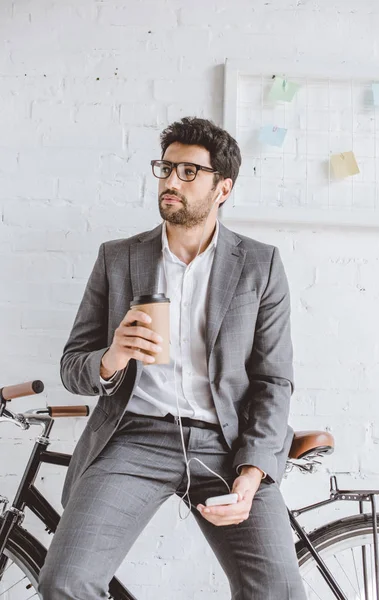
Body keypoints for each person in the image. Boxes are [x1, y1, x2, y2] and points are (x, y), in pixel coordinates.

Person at [38, 117, 306, 599]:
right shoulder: (118, 258)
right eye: (165, 168)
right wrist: (112, 356)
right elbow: (72, 365)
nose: (170, 181)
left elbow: (273, 380)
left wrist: (251, 475)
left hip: (226, 445)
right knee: (65, 582)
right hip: (134, 438)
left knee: (279, 593)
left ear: (222, 188)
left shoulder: (260, 264)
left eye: (188, 172)